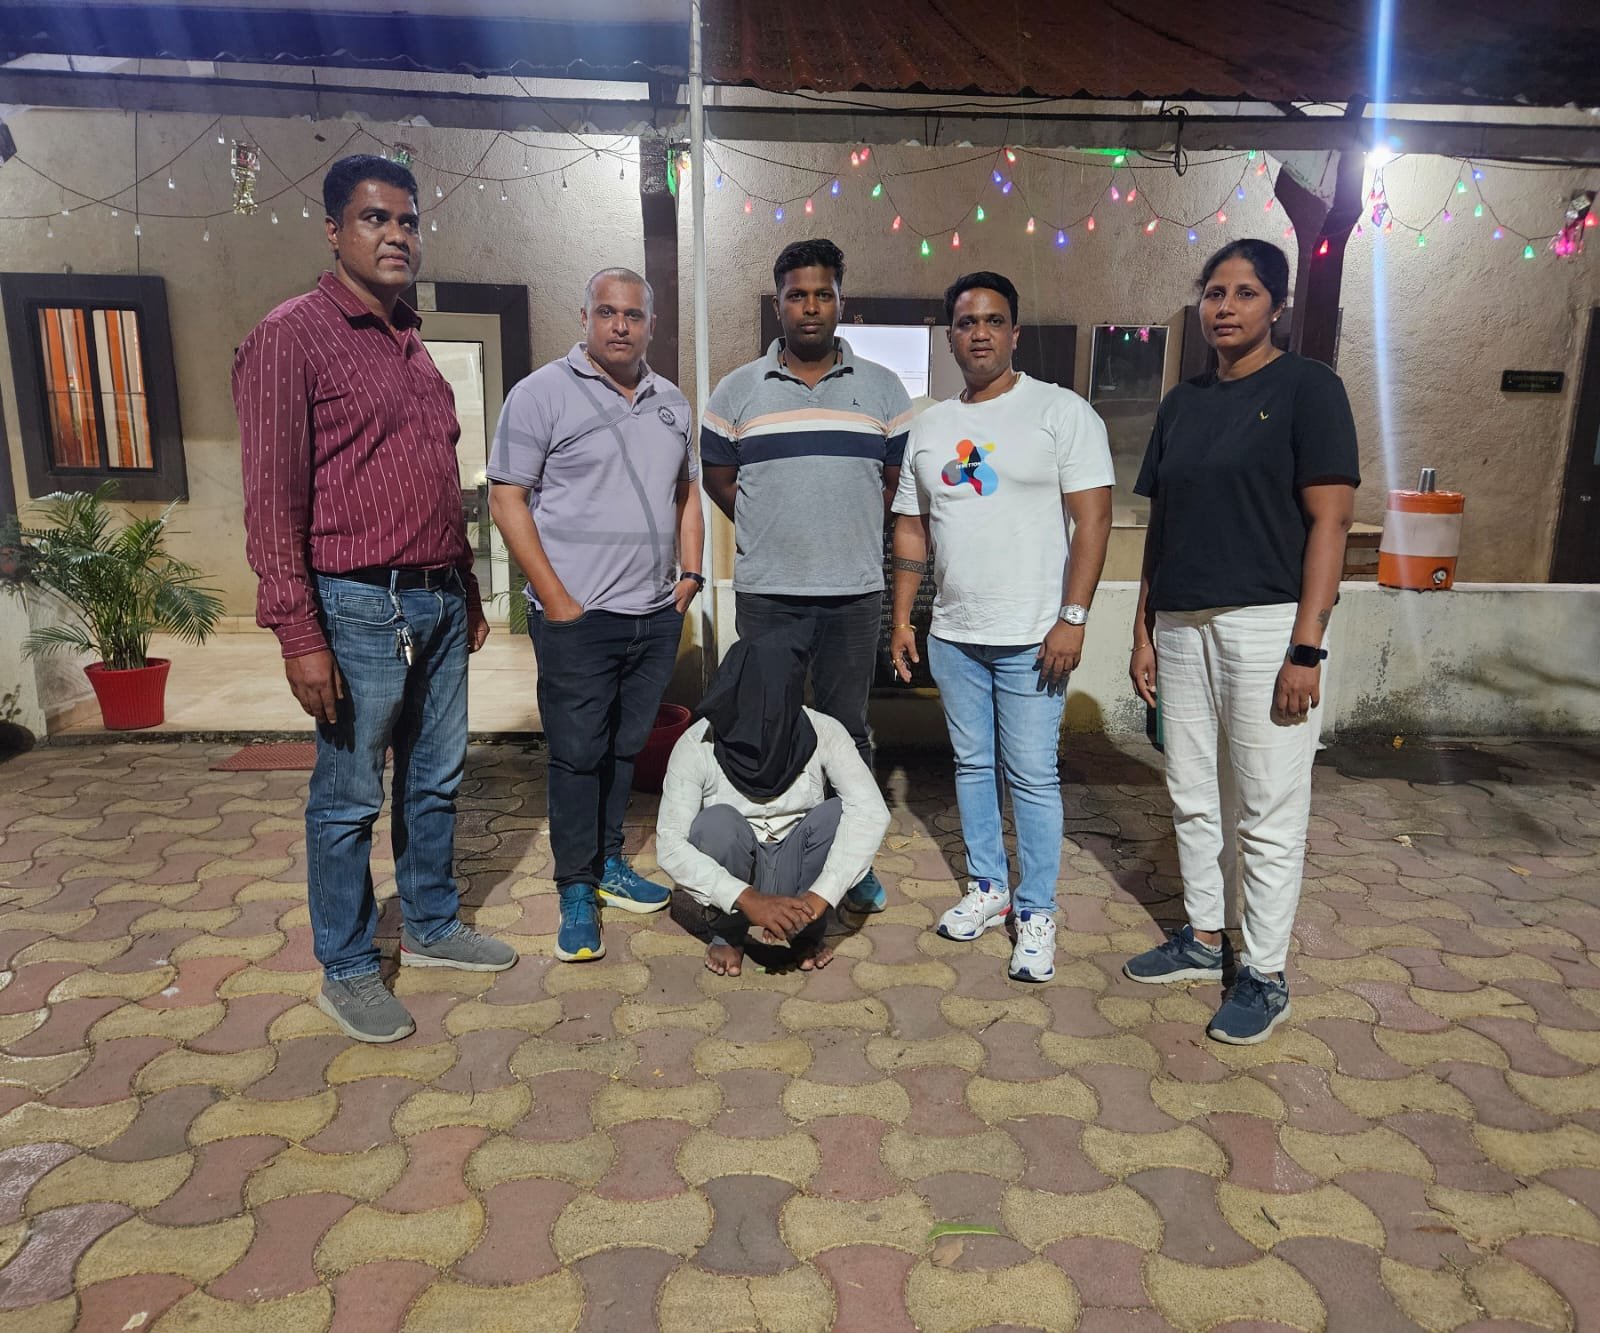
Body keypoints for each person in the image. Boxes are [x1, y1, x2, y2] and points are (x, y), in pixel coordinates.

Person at [235, 154, 516, 1045]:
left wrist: (465, 586)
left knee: (435, 779)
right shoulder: (292, 336)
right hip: (357, 605)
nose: (397, 234)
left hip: (438, 598)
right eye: (374, 218)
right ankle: (349, 966)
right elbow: (271, 499)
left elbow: (436, 478)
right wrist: (298, 632)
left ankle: (429, 923)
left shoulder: (410, 343)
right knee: (349, 796)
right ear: (333, 230)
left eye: (407, 220)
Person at [1122, 238, 1359, 1045]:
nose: (1225, 307)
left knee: (1266, 807)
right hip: (1182, 623)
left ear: (1277, 306)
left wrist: (1307, 647)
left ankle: (1264, 971)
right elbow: (1162, 525)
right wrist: (1144, 628)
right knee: (1193, 792)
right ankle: (1203, 935)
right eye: (1214, 292)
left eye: (1246, 292)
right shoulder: (1181, 404)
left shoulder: (1308, 389)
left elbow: (1331, 522)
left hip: (1267, 623)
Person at [890, 271, 1113, 984]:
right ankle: (989, 887)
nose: (979, 333)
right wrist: (903, 616)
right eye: (965, 322)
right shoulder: (929, 427)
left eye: (992, 320)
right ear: (950, 336)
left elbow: (1094, 519)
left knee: (1033, 775)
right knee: (972, 766)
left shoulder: (1060, 411)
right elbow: (912, 525)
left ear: (1014, 332)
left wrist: (1072, 617)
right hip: (955, 634)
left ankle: (1037, 910)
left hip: (1034, 636)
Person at [488, 268, 704, 964]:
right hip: (577, 619)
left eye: (633, 315)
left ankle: (609, 862)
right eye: (606, 312)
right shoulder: (540, 393)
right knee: (577, 755)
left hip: (654, 613)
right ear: (584, 317)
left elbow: (687, 494)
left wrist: (691, 575)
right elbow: (506, 499)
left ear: (651, 323)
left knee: (623, 748)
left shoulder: (673, 402)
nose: (620, 325)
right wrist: (557, 601)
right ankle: (575, 887)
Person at [700, 238, 913, 914]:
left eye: (824, 294)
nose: (811, 306)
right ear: (779, 303)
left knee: (848, 730)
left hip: (853, 594)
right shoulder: (737, 390)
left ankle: (851, 863)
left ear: (841, 301)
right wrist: (774, 526)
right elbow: (719, 478)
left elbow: (892, 484)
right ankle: (770, 857)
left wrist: (840, 525)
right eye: (798, 295)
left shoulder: (884, 389)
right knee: (767, 724)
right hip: (768, 594)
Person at [657, 625, 891, 976]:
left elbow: (871, 811)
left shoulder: (825, 731)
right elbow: (670, 844)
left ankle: (805, 932)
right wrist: (747, 898)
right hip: (736, 868)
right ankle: (727, 933)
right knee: (716, 823)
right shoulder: (696, 743)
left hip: (800, 867)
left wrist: (819, 897)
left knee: (840, 813)